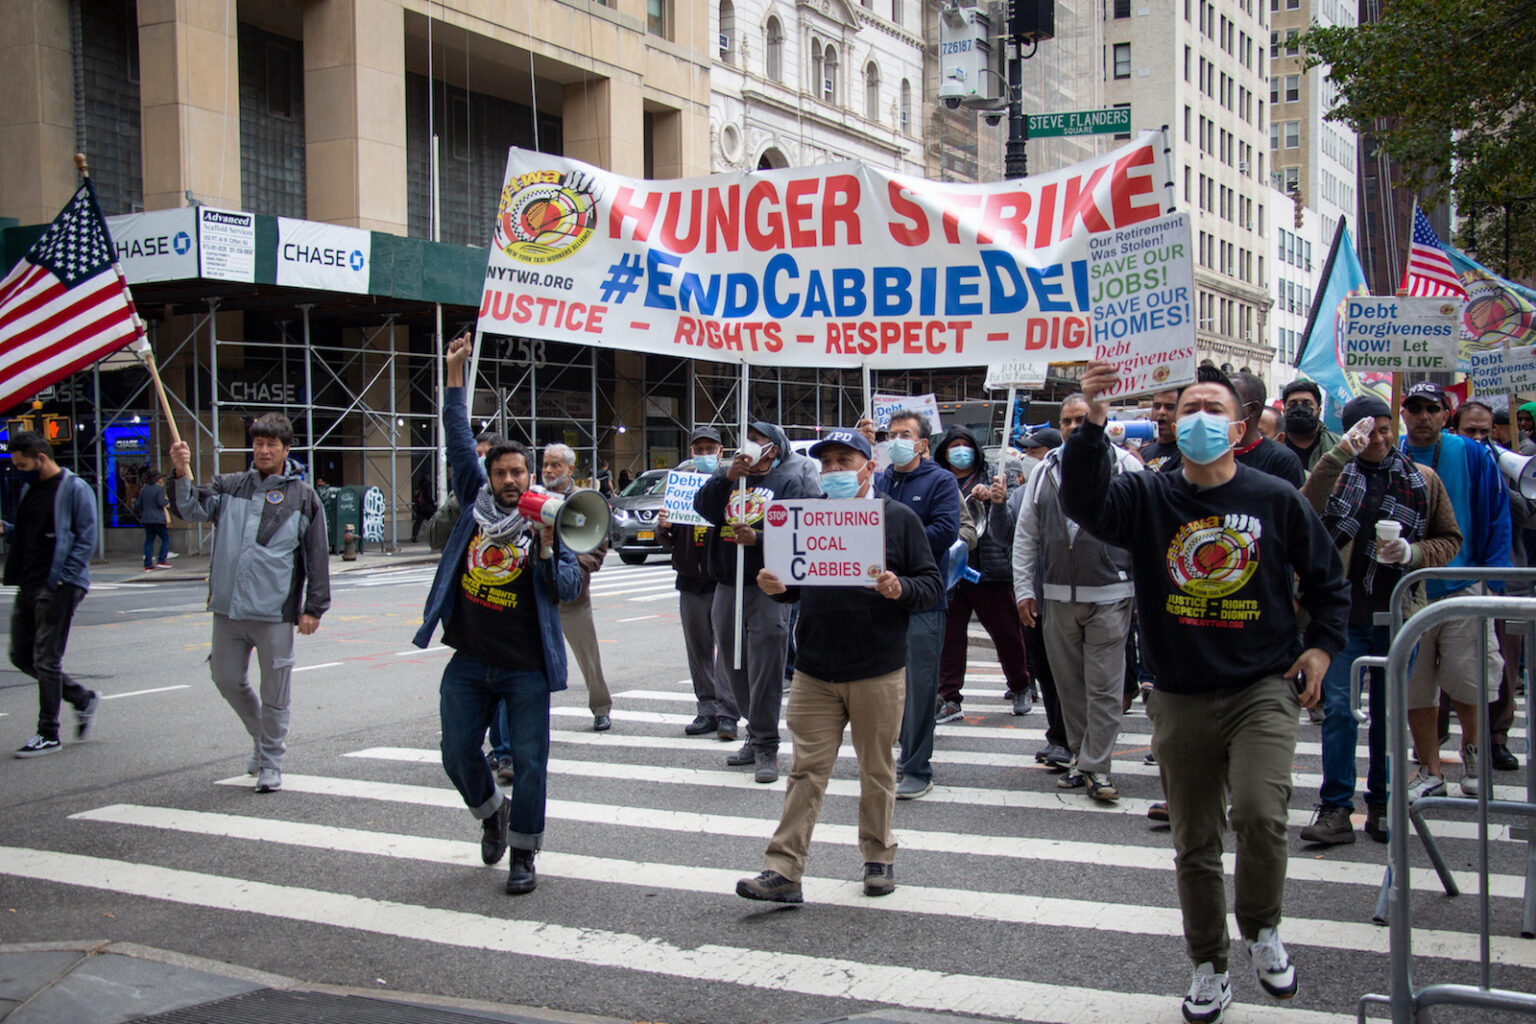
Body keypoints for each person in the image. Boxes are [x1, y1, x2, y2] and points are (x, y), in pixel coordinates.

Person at [1062, 360, 1348, 1024]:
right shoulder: (1148, 496)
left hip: (1263, 689)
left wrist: (1322, 645)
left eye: (1212, 409)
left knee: (1258, 814)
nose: (1197, 419)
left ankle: (1263, 928)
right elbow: (1083, 502)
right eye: (1187, 407)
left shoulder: (1275, 498)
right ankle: (1209, 964)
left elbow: (1328, 580)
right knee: (1194, 840)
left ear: (1240, 426)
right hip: (1180, 693)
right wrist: (1092, 418)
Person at [736, 428, 942, 903]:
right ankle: (783, 871)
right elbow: (795, 582)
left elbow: (930, 585)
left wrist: (899, 588)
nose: (833, 472)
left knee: (877, 769)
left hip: (877, 668)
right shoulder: (803, 519)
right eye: (826, 463)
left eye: (844, 462)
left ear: (870, 467)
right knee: (806, 770)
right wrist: (776, 586)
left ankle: (878, 859)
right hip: (814, 669)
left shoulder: (899, 519)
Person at [414, 334, 582, 895]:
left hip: (526, 666)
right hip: (471, 658)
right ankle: (491, 812)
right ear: (490, 477)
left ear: (530, 478)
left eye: (519, 473)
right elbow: (458, 438)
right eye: (502, 472)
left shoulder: (551, 521)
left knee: (531, 763)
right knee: (456, 751)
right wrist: (454, 374)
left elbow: (565, 588)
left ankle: (524, 856)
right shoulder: (474, 505)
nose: (510, 481)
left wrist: (547, 545)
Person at [1297, 399, 1462, 845]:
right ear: (1352, 433)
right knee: (1338, 714)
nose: (1380, 439)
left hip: (1396, 615)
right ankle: (1335, 807)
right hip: (1340, 618)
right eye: (1370, 431)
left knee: (1388, 716)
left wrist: (1413, 553)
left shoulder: (1421, 479)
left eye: (1387, 430)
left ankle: (1384, 803)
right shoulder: (1333, 474)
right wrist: (1337, 458)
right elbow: (1302, 513)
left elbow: (1450, 538)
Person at [169, 415, 331, 792]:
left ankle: (271, 761)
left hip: (273, 612)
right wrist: (180, 473)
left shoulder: (303, 496)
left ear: (286, 449)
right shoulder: (229, 486)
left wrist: (313, 607)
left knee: (276, 693)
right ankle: (262, 740)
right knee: (225, 679)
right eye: (258, 443)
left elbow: (316, 555)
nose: (263, 450)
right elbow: (190, 509)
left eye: (272, 444)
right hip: (228, 609)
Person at [1013, 393, 1141, 802]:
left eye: (1081, 419)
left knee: (1104, 687)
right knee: (1069, 686)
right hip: (1056, 596)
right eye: (1067, 421)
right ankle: (1080, 759)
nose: (1073, 427)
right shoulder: (1044, 471)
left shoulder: (1126, 466)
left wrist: (1142, 591)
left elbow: (1145, 532)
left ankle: (1096, 768)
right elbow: (1026, 535)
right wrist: (1023, 589)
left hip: (1111, 594)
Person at [1398, 381, 1511, 801]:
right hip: (1411, 592)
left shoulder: (1473, 453)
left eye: (1433, 408)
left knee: (1470, 679)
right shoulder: (1395, 455)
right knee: (1416, 685)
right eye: (1415, 408)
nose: (1423, 416)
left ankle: (1474, 751)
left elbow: (1497, 516)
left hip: (1464, 584)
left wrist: (1495, 581)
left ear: (1446, 415)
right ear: (1404, 413)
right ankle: (1428, 768)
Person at [694, 420, 820, 783]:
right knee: (734, 665)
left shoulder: (787, 483)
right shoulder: (730, 478)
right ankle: (754, 729)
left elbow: (798, 533)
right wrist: (725, 477)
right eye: (748, 438)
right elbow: (703, 509)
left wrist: (760, 538)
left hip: (766, 586)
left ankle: (767, 744)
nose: (750, 444)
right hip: (726, 584)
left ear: (774, 449)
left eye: (759, 439)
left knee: (766, 666)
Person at [879, 409, 963, 800]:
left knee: (919, 687)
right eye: (892, 434)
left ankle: (916, 766)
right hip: (880, 599)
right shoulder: (879, 481)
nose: (895, 440)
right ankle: (892, 757)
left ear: (922, 443)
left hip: (922, 599)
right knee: (883, 686)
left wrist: (893, 542)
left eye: (904, 434)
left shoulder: (941, 481)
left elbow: (945, 531)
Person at [4, 432, 99, 758]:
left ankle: (48, 732)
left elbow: (87, 538)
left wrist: (63, 580)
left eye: (22, 464)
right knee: (20, 654)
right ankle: (81, 697)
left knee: (46, 658)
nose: (18, 470)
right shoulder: (31, 489)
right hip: (29, 583)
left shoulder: (74, 488)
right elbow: (31, 534)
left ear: (41, 458)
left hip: (58, 585)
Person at [934, 425, 1033, 720]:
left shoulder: (994, 476)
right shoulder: (939, 480)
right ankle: (950, 697)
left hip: (988, 571)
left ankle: (1020, 685)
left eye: (966, 444)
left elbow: (1014, 518)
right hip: (952, 574)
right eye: (955, 445)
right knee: (950, 639)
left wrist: (992, 498)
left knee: (1006, 634)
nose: (960, 451)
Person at [1451, 400, 1528, 773]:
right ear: (1456, 431)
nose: (1481, 439)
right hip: (1456, 576)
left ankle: (1497, 737)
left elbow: (1526, 515)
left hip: (1502, 580)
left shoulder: (1509, 465)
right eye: (1472, 432)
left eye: (1486, 432)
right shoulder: (1448, 460)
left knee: (1503, 665)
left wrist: (1498, 477)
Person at [658, 426, 739, 741]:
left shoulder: (732, 484)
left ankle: (728, 712)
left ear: (720, 451)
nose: (704, 454)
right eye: (698, 449)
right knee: (698, 648)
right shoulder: (680, 485)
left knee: (728, 649)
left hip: (723, 579)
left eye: (710, 448)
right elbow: (668, 540)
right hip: (691, 580)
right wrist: (663, 526)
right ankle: (706, 708)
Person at [998, 428, 1070, 767]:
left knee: (1078, 674)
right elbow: (1008, 537)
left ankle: (1084, 743)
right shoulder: (1022, 491)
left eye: (1035, 450)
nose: (1028, 457)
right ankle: (1059, 736)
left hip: (1077, 595)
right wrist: (998, 506)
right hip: (1037, 597)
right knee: (1046, 669)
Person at [533, 443, 613, 731]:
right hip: (537, 592)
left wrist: (574, 569)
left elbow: (597, 546)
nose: (548, 470)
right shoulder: (534, 497)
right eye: (545, 464)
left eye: (555, 465)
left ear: (570, 468)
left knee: (587, 654)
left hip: (572, 594)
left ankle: (600, 707)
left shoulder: (584, 501)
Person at [1157, 373, 1306, 487]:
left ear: (1239, 429)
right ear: (1176, 431)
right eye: (1190, 411)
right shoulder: (1161, 488)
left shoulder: (1280, 480)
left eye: (1214, 410)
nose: (1201, 419)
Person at [1279, 379, 1340, 473]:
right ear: (1284, 411)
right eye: (1293, 404)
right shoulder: (1273, 444)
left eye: (1306, 404)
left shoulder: (1337, 446)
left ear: (1319, 411)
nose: (1299, 409)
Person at [135, 470, 171, 569]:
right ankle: (162, 560)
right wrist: (167, 501)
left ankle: (148, 563)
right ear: (157, 479)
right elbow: (160, 502)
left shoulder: (144, 489)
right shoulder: (158, 489)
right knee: (165, 538)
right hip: (158, 518)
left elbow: (138, 504)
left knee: (149, 541)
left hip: (146, 518)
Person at [1139, 390, 1182, 472]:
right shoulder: (1144, 452)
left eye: (1170, 407)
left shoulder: (1186, 454)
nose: (1161, 412)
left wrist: (1140, 467)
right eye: (1157, 406)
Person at [410, 476, 437, 544]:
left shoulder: (419, 488)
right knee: (433, 522)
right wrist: (433, 503)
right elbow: (428, 497)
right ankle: (435, 536)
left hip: (421, 508)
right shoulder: (427, 486)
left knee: (418, 522)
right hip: (428, 508)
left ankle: (414, 536)